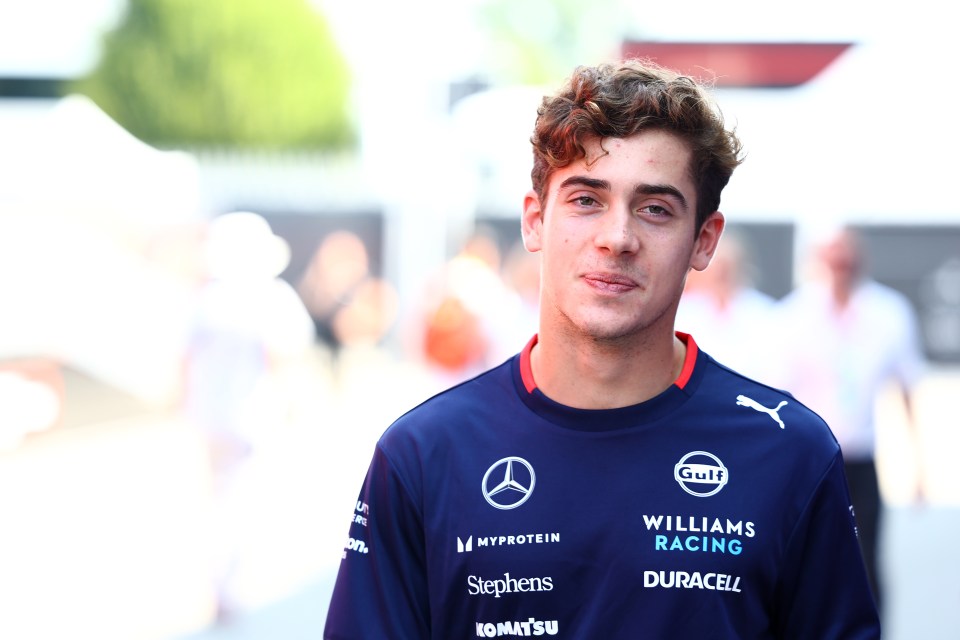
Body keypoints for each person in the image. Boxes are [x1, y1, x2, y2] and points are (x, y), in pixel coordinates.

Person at [324, 60, 880, 639]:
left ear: (704, 241)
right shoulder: (422, 455)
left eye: (655, 208)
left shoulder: (790, 454)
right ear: (535, 221)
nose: (617, 238)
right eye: (587, 200)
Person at [773, 223, 927, 616]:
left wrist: (918, 468)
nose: (841, 266)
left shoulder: (887, 312)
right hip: (807, 459)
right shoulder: (794, 316)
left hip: (859, 456)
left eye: (847, 258)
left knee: (865, 559)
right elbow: (776, 395)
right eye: (833, 258)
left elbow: (907, 388)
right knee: (803, 556)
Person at [675, 230, 778, 382]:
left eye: (727, 266)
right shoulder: (686, 310)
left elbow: (773, 364)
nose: (721, 273)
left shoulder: (763, 311)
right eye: (717, 266)